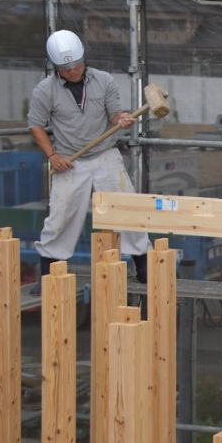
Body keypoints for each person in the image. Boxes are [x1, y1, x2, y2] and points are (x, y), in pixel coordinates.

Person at [28, 29, 150, 287]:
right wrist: (52, 155)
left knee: (127, 207)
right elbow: (36, 126)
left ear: (84, 59)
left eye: (76, 64)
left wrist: (122, 119)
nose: (72, 71)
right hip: (70, 160)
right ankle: (49, 275)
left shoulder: (104, 80)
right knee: (60, 216)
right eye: (66, 67)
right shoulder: (44, 91)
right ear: (56, 67)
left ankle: (143, 267)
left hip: (105, 155)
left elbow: (115, 114)